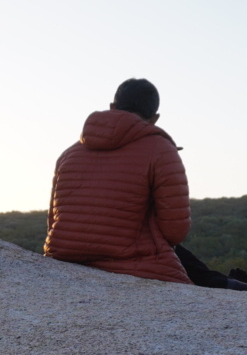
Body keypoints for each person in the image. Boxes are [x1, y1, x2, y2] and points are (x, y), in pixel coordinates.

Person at [43, 78, 192, 284]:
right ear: (154, 118)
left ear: (113, 107)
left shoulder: (69, 154)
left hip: (65, 257)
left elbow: (53, 220)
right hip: (132, 263)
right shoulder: (161, 149)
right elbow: (175, 230)